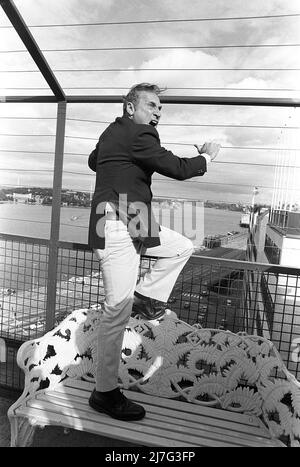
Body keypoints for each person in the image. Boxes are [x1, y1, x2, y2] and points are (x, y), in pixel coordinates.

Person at [87, 83, 220, 421]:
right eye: (151, 105)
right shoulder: (140, 134)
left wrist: (122, 168)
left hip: (131, 218)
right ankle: (104, 394)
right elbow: (177, 168)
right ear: (130, 108)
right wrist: (206, 156)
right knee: (116, 313)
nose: (158, 112)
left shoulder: (111, 132)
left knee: (181, 246)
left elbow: (93, 161)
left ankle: (146, 297)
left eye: (160, 107)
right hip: (120, 223)